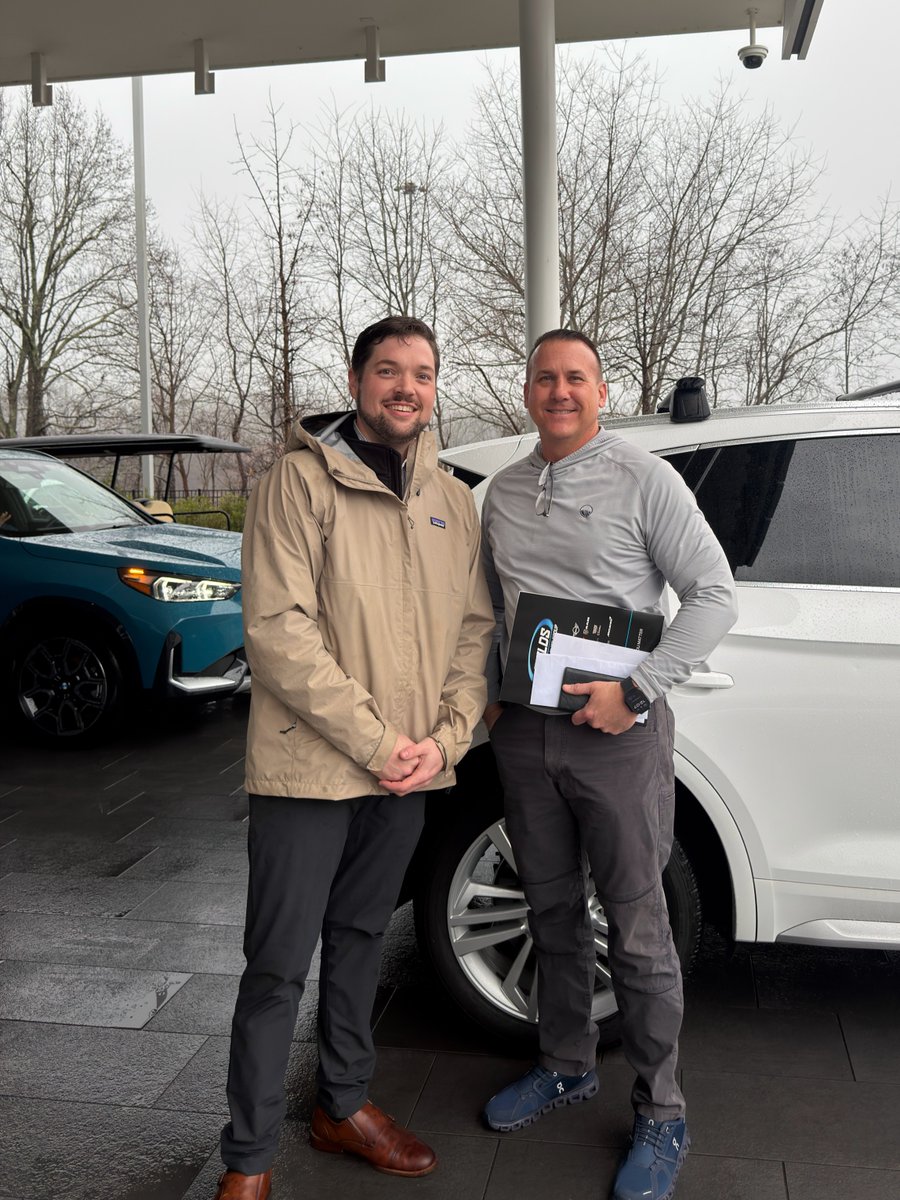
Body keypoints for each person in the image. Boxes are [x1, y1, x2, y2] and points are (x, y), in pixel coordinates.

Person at [215, 316, 494, 1200]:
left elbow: (472, 635)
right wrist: (381, 743)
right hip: (312, 770)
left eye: (420, 372)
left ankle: (343, 1104)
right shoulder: (298, 484)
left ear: (435, 385)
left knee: (364, 941)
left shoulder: (453, 500)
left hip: (406, 773)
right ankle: (249, 1156)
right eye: (387, 370)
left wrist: (443, 742)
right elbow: (278, 633)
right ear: (357, 379)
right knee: (277, 963)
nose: (404, 386)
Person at [479, 330, 738, 1200]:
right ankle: (565, 1064)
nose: (560, 391)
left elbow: (713, 595)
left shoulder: (643, 478)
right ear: (527, 390)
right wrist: (484, 690)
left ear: (601, 389)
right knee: (548, 908)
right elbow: (491, 606)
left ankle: (662, 1112)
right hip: (525, 732)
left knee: (637, 927)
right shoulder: (505, 493)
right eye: (546, 378)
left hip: (618, 739)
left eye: (576, 379)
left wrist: (634, 693)